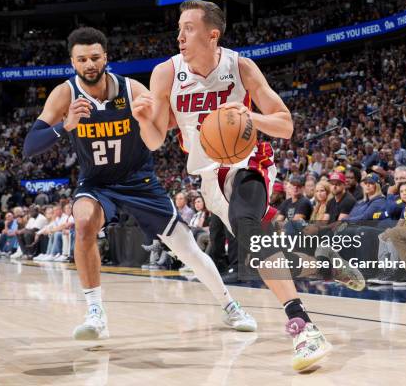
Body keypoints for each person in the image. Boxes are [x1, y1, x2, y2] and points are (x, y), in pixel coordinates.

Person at [147, 0, 360, 371]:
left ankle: (303, 328)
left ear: (212, 34)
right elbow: (154, 137)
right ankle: (321, 261)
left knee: (249, 226)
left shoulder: (240, 66)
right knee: (260, 246)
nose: (179, 36)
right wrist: (142, 120)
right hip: (208, 176)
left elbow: (286, 124)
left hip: (248, 162)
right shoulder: (166, 74)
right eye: (179, 28)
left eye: (188, 28)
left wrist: (251, 116)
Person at [23, 27, 256, 342]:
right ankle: (95, 313)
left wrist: (150, 117)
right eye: (82, 59)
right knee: (84, 223)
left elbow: (164, 121)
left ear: (105, 57)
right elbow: (30, 146)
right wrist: (65, 127)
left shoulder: (131, 89)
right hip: (96, 182)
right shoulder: (65, 94)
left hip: (139, 181)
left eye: (94, 57)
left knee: (185, 247)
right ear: (73, 62)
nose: (89, 64)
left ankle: (230, 305)